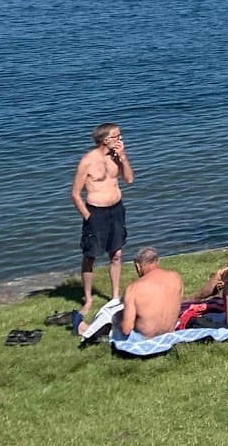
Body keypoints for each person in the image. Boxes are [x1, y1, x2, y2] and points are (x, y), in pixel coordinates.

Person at [72, 122, 134, 315]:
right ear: (106, 140)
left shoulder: (116, 157)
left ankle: (115, 296)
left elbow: (129, 179)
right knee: (90, 255)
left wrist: (123, 158)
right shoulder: (88, 160)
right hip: (95, 212)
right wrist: (88, 216)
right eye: (117, 137)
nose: (121, 139)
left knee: (116, 254)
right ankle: (88, 299)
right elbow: (75, 194)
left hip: (116, 209)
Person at [118, 247, 183, 339]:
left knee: (115, 318)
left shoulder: (133, 289)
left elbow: (126, 329)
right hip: (169, 332)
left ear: (138, 266)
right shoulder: (176, 277)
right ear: (158, 261)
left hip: (145, 338)